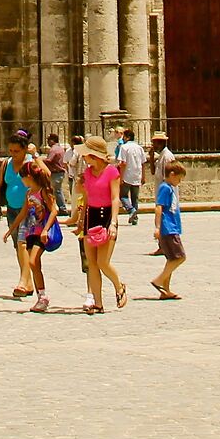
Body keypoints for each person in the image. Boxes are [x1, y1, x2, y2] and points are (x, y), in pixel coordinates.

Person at [74, 136, 127, 312]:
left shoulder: (112, 172)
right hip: (91, 216)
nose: (84, 158)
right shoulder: (88, 173)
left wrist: (113, 223)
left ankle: (119, 286)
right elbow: (87, 197)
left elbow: (114, 197)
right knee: (92, 263)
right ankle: (98, 302)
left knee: (103, 262)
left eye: (86, 155)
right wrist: (81, 219)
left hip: (106, 216)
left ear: (93, 155)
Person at [0, 130, 32, 298]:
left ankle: (23, 282)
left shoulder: (31, 163)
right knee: (18, 245)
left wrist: (36, 155)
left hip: (29, 209)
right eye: (11, 151)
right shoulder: (6, 163)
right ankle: (28, 282)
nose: (13, 154)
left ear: (24, 149)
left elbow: (45, 177)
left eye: (16, 151)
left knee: (23, 243)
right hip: (12, 209)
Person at [18, 160, 59, 312]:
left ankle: (43, 296)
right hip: (30, 231)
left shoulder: (43, 192)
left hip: (41, 231)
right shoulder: (29, 193)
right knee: (34, 265)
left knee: (33, 261)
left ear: (28, 176)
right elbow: (23, 212)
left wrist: (45, 230)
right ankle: (41, 296)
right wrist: (11, 230)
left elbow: (54, 210)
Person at [151, 159, 189, 298]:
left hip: (172, 227)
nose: (180, 182)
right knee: (180, 257)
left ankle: (165, 290)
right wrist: (158, 227)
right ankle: (159, 280)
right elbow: (159, 207)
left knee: (171, 259)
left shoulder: (169, 188)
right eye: (179, 179)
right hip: (168, 228)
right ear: (172, 175)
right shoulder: (165, 188)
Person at [116, 127, 148, 224]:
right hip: (137, 175)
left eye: (124, 137)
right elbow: (143, 163)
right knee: (135, 198)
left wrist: (120, 178)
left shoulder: (124, 148)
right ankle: (135, 218)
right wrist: (143, 176)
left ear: (127, 137)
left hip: (127, 175)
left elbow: (123, 163)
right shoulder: (139, 148)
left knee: (123, 195)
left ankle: (131, 210)